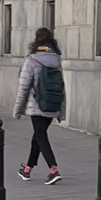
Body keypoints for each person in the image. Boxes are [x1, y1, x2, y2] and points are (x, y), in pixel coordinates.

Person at [14, 25, 66, 185]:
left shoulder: (31, 60)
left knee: (40, 136)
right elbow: (61, 87)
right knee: (38, 136)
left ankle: (53, 169)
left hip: (36, 105)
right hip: (52, 105)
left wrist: (17, 109)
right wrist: (61, 111)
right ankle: (28, 169)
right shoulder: (56, 60)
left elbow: (23, 87)